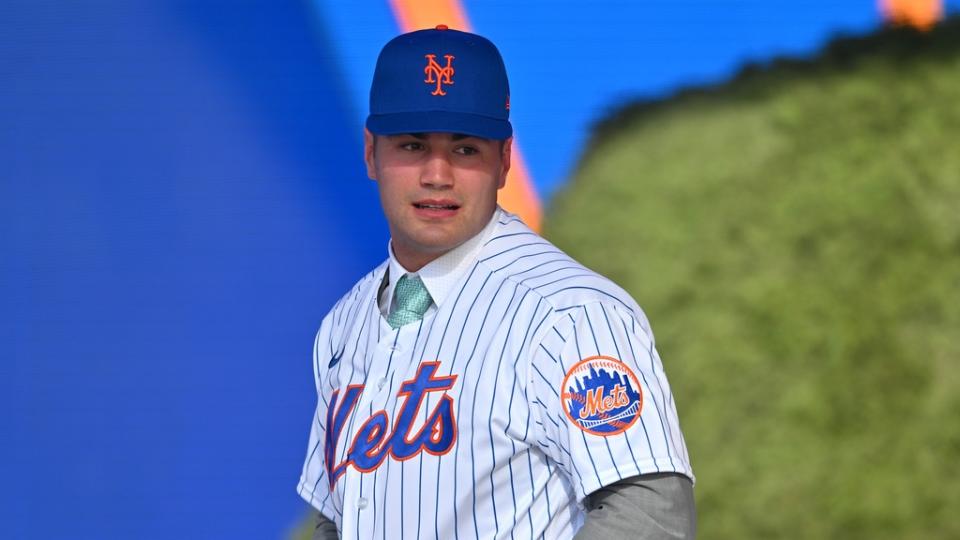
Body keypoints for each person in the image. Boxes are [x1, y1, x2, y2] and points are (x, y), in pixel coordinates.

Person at [297, 26, 696, 539]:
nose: (437, 174)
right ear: (371, 152)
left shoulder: (571, 314)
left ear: (504, 159)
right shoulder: (342, 325)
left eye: (465, 149)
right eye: (413, 144)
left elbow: (651, 518)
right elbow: (339, 518)